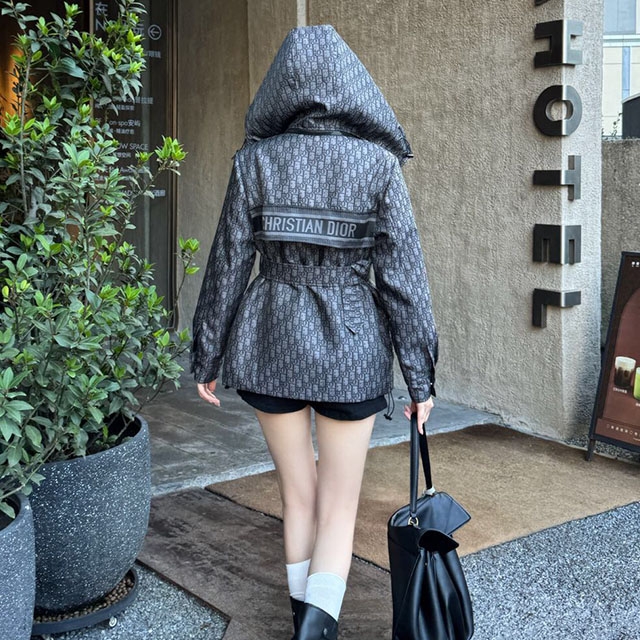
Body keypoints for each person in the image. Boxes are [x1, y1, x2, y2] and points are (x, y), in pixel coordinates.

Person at [191, 24, 438, 640]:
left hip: (270, 338)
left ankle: (305, 624)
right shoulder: (379, 165)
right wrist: (420, 378)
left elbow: (228, 263)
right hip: (351, 349)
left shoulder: (253, 162)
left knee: (297, 496)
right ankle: (314, 631)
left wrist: (207, 355)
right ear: (353, 88)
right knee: (339, 504)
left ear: (282, 88)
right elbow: (404, 279)